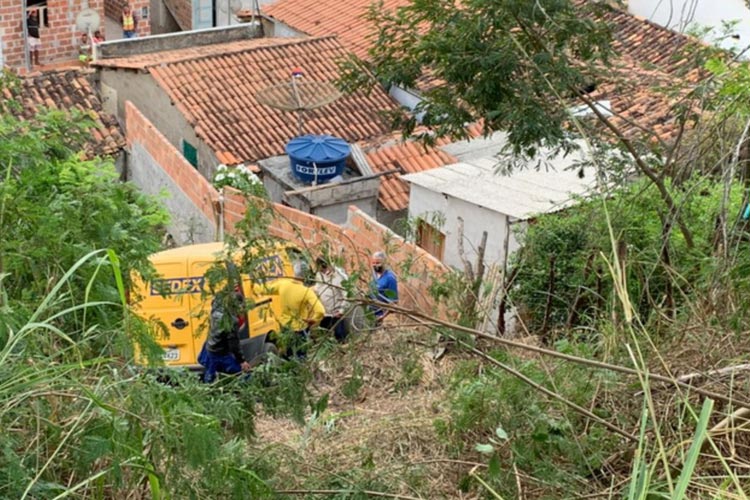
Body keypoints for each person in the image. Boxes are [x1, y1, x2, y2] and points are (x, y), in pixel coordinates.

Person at [272, 260, 325, 358]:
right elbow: (320, 310)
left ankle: (291, 371)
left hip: (285, 326)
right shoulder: (306, 291)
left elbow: (263, 289)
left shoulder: (283, 284)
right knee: (301, 355)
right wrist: (313, 319)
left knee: (289, 354)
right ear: (305, 275)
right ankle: (301, 369)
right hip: (300, 328)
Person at [197, 287, 251, 383]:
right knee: (244, 375)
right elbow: (234, 345)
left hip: (210, 347)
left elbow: (216, 299)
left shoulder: (216, 310)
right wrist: (242, 361)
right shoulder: (231, 321)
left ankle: (207, 388)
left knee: (210, 376)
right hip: (220, 353)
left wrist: (227, 290)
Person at [315, 257, 349, 342]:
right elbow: (318, 288)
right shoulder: (319, 275)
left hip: (336, 312)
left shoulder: (339, 276)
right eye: (321, 270)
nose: (323, 271)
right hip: (325, 313)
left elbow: (346, 295)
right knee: (323, 333)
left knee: (339, 334)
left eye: (324, 268)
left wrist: (341, 311)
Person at [369, 251, 398, 325]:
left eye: (378, 263)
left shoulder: (390, 278)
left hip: (379, 315)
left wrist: (383, 317)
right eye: (374, 263)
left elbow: (393, 302)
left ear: (384, 263)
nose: (375, 266)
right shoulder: (374, 274)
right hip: (370, 312)